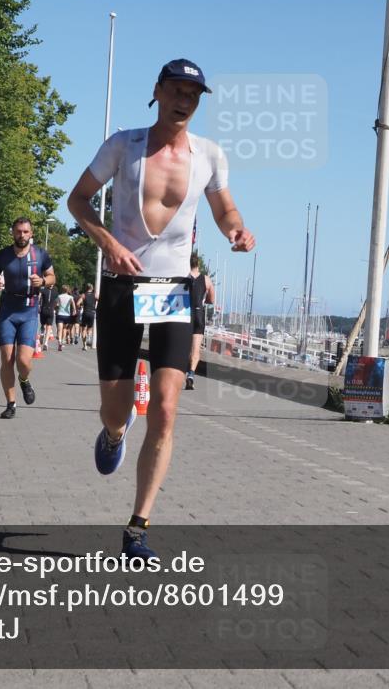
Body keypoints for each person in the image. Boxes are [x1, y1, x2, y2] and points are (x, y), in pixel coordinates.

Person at [67, 58, 255, 560]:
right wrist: (106, 241)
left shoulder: (210, 155)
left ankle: (137, 528)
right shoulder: (122, 146)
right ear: (157, 91)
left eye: (192, 94)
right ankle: (112, 433)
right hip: (123, 286)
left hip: (173, 287)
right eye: (175, 90)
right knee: (116, 409)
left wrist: (236, 229)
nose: (183, 100)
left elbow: (224, 208)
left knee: (167, 411)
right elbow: (78, 200)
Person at [0, 218, 55, 419]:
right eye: (18, 231)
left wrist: (42, 281)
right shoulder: (3, 255)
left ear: (31, 233)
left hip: (29, 310)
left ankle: (24, 380)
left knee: (23, 360)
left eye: (25, 232)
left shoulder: (40, 254)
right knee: (7, 359)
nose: (21, 235)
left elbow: (52, 277)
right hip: (7, 310)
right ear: (12, 233)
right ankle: (11, 404)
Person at [185, 253, 215, 390]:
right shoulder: (207, 280)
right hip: (198, 313)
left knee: (183, 347)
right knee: (196, 349)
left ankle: (180, 372)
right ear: (198, 264)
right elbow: (211, 300)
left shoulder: (183, 277)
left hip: (184, 314)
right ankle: (191, 374)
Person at [38, 283, 58, 350]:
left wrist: (38, 305)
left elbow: (39, 298)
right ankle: (46, 343)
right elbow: (57, 302)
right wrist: (54, 307)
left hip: (43, 309)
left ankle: (42, 333)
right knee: (49, 327)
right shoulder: (55, 291)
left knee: (42, 324)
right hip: (51, 310)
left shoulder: (43, 289)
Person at [56, 285, 76, 351]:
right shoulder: (70, 297)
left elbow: (56, 304)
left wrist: (55, 308)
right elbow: (73, 304)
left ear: (62, 290)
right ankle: (63, 340)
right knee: (65, 328)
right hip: (67, 315)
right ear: (67, 290)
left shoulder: (59, 296)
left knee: (59, 329)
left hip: (60, 314)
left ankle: (59, 341)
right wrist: (74, 310)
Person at [79, 283, 97, 351]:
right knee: (90, 328)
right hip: (92, 313)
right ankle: (89, 337)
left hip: (85, 312)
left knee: (83, 329)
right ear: (92, 288)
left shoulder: (84, 295)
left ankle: (85, 345)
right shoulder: (94, 295)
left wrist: (81, 306)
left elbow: (78, 303)